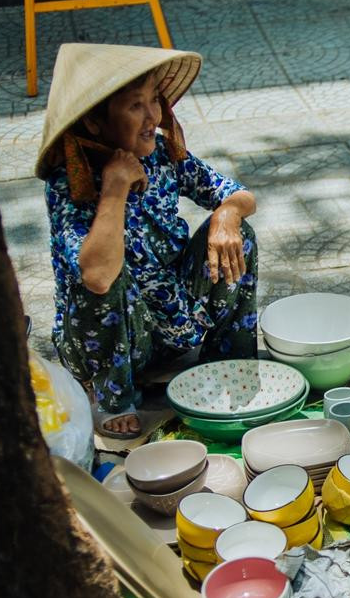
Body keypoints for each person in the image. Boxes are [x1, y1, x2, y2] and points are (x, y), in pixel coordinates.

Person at [37, 44, 258, 438]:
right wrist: (115, 187)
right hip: (105, 339)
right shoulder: (70, 182)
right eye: (135, 106)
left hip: (164, 327)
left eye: (154, 100)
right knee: (103, 276)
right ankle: (113, 397)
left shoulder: (162, 157)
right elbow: (98, 277)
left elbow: (239, 195)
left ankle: (229, 362)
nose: (153, 116)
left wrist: (227, 214)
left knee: (240, 234)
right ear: (93, 123)